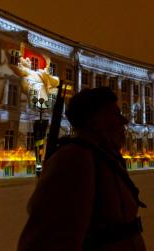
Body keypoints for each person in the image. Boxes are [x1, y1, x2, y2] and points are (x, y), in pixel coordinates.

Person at [18, 87, 146, 251]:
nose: (124, 121)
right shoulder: (75, 159)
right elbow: (47, 240)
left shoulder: (103, 156)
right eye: (115, 114)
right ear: (94, 121)